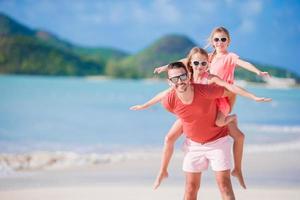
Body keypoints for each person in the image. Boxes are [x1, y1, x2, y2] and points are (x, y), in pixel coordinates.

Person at [130, 47, 271, 190]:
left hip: (214, 110)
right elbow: (165, 92)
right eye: (196, 63)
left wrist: (253, 97)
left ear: (208, 64)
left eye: (204, 64)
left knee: (233, 132)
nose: (200, 67)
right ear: (190, 64)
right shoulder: (185, 78)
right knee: (168, 139)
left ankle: (237, 165)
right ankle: (163, 171)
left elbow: (230, 87)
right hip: (194, 114)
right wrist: (145, 105)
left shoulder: (209, 78)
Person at [157, 61, 236, 199]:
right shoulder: (168, 101)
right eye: (174, 79)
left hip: (218, 142)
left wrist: (225, 112)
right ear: (169, 82)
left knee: (224, 184)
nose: (179, 81)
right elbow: (184, 117)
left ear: (188, 76)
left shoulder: (204, 90)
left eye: (182, 76)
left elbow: (231, 92)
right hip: (193, 146)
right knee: (190, 188)